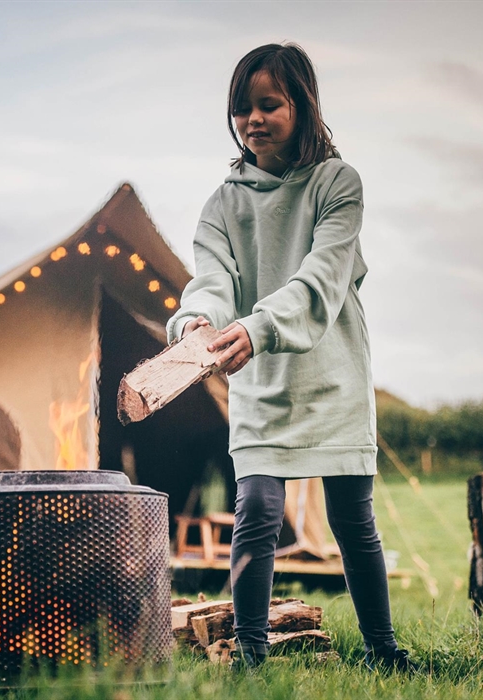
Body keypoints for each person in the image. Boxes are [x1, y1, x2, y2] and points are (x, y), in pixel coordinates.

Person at [166, 43, 416, 673]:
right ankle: (249, 659)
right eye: (242, 107)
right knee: (256, 511)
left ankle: (383, 652)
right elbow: (213, 281)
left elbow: (322, 279)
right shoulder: (222, 205)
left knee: (352, 521)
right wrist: (195, 322)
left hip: (334, 376)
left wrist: (258, 327)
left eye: (269, 104)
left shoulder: (338, 184)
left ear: (302, 107)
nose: (253, 119)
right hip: (260, 381)